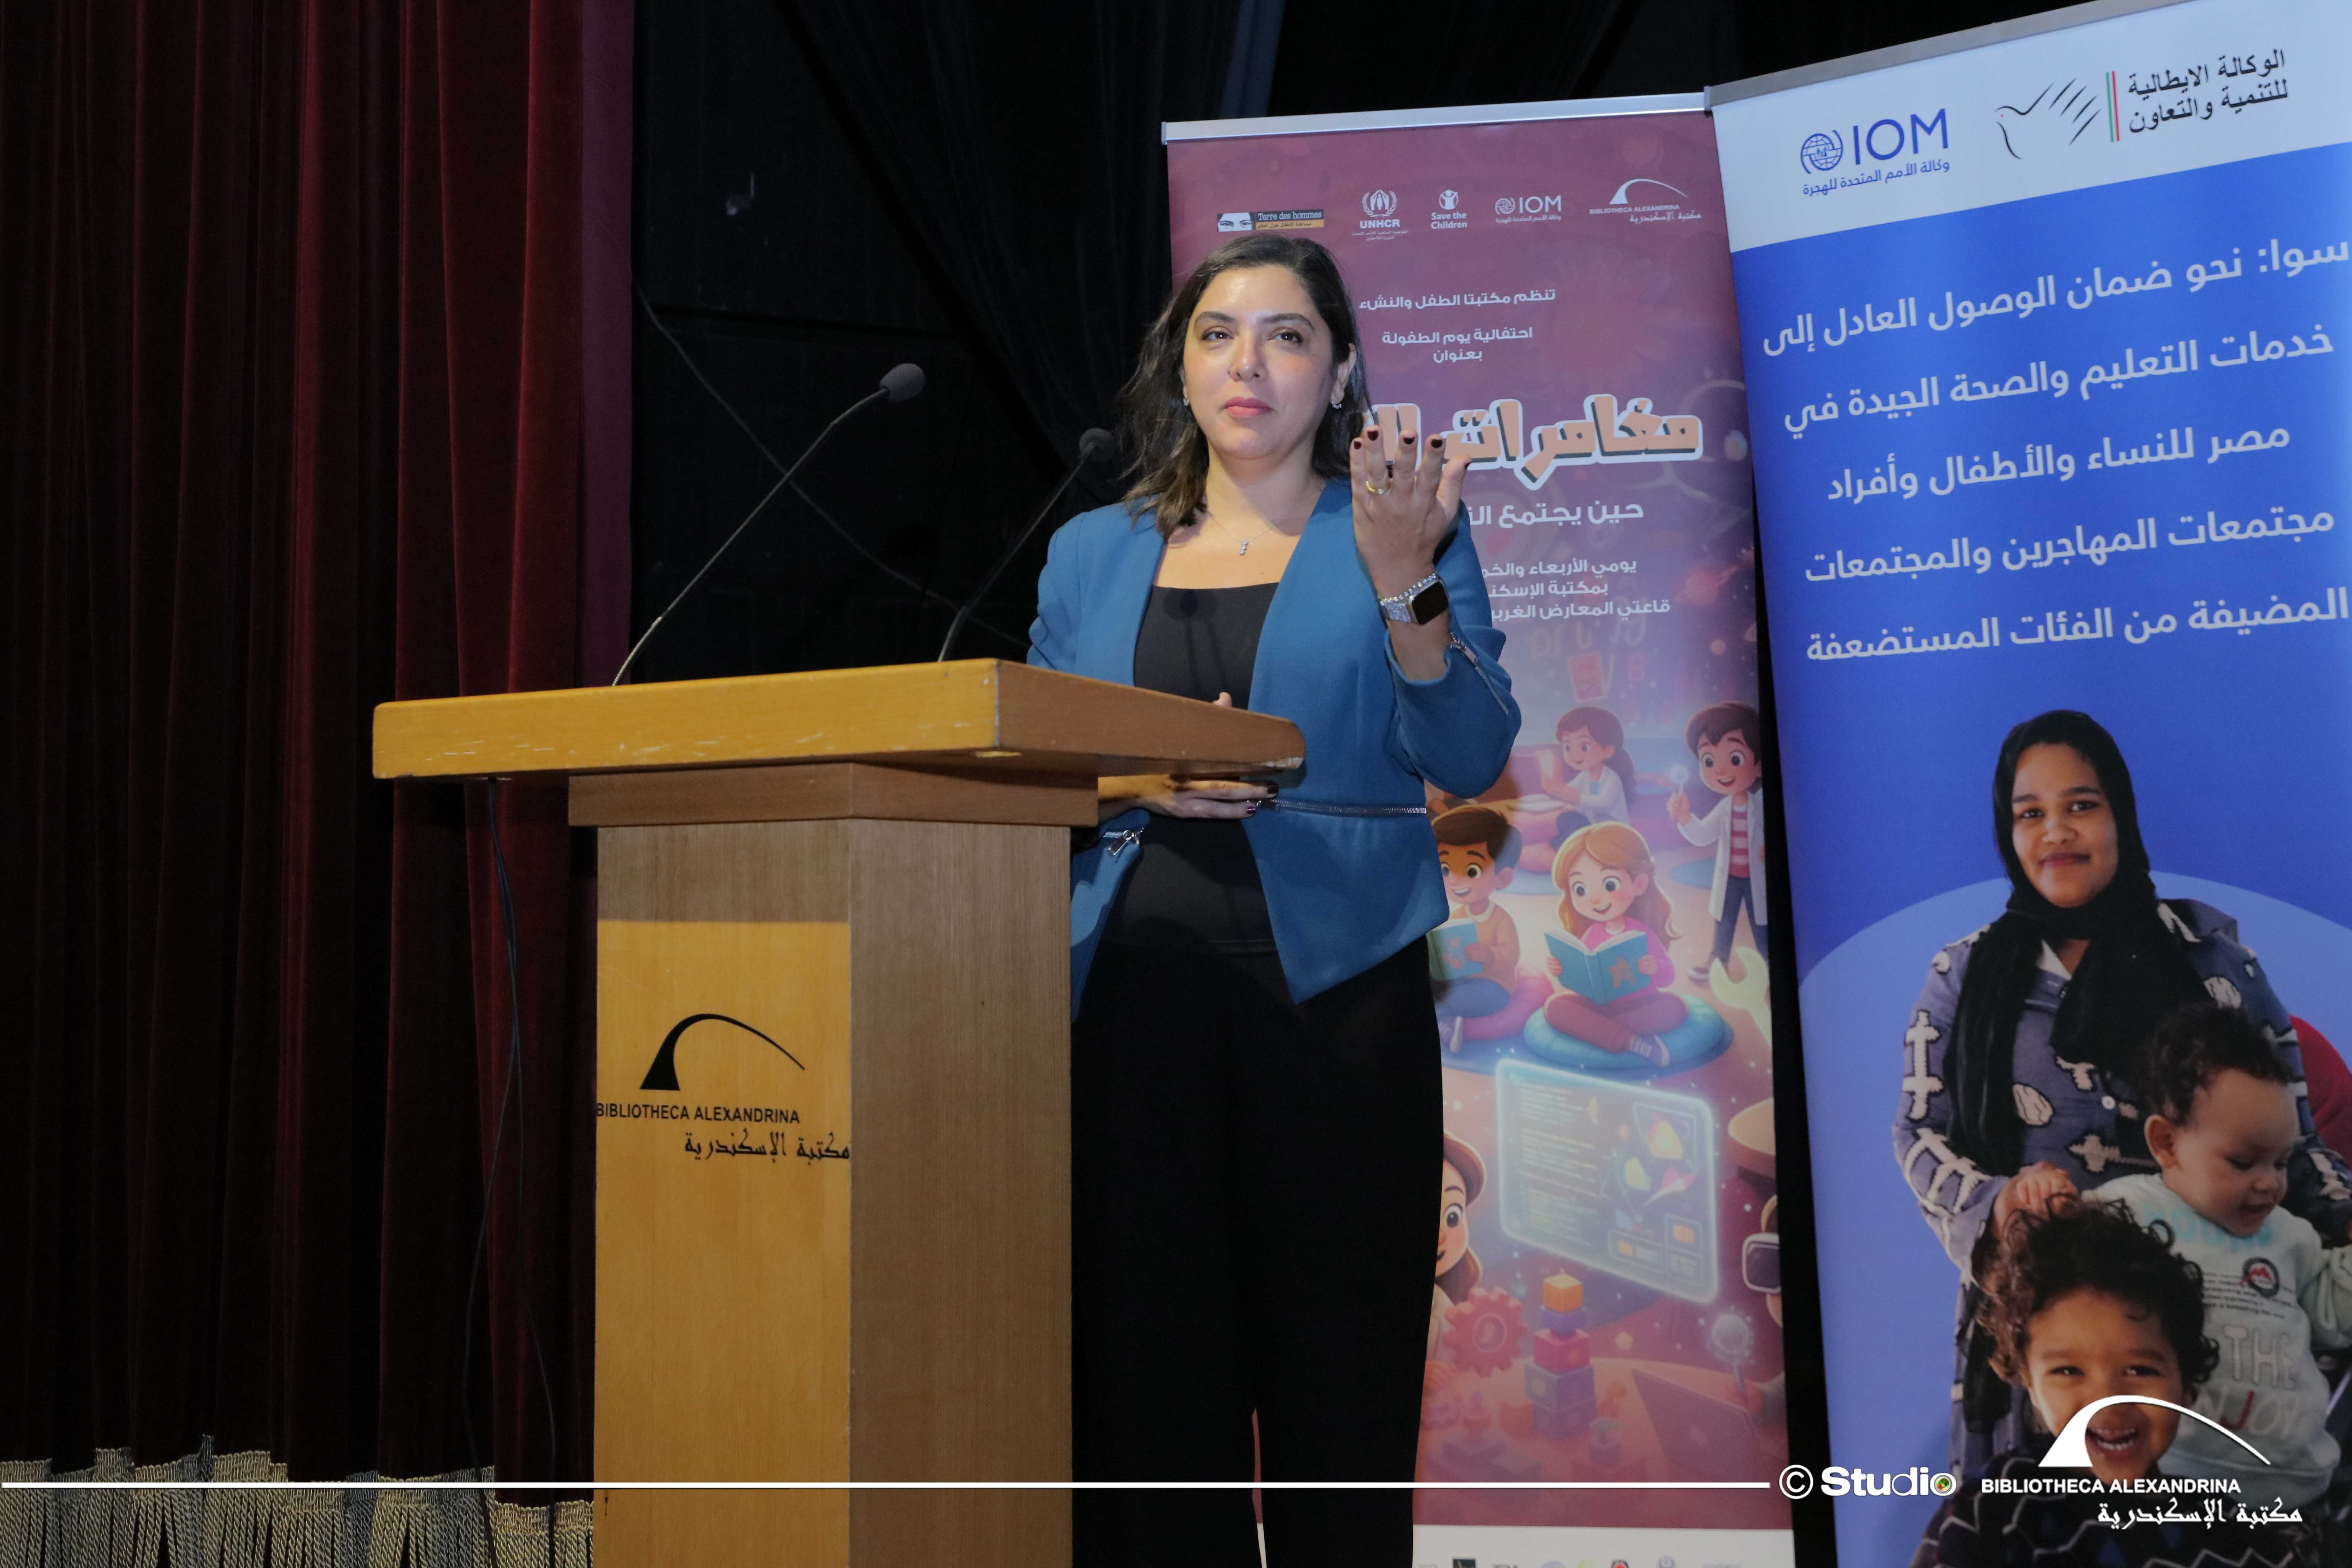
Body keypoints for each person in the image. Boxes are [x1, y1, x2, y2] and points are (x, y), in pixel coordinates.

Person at [1030, 231, 1519, 1567]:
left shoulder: (1394, 530)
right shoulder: (1088, 552)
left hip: (1337, 1010)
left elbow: (1471, 748)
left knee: (1337, 1395)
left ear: (1340, 370)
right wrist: (1140, 778)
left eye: (1287, 334)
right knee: (1148, 1402)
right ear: (1180, 367)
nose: (1247, 363)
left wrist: (1405, 580)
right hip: (1129, 1014)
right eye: (1217, 334)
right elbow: (1032, 765)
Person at [1892, 709, 2352, 1479]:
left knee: (2202, 1531)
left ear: (2120, 815)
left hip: (2209, 1329)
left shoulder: (2213, 963)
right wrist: (2002, 1205)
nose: (2055, 832)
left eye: (2081, 804)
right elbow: (1918, 1133)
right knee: (2040, 1528)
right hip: (2042, 1325)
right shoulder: (1965, 976)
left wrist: (2342, 1224)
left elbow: (2294, 1142)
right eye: (2029, 814)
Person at [1914, 1198, 2322, 1566]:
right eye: (2069, 1371)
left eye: (2139, 1370)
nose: (2107, 1400)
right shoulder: (1999, 1502)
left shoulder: (2236, 1534)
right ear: (2030, 1384)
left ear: (2185, 1384)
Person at [2089, 1001, 2352, 1510]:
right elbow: (2052, 1283)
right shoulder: (2122, 1214)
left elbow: (2334, 1310)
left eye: (2281, 1162)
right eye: (2243, 1161)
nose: (2270, 1183)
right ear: (2166, 1143)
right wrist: (2035, 1200)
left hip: (2291, 1497)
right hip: (2166, 1484)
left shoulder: (2291, 1236)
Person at [1541, 821, 1687, 1064]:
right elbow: (1583, 979)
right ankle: (1631, 1041)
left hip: (1640, 1004)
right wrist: (1563, 969)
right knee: (1554, 1006)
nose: (1595, 899)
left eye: (1610, 885)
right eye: (1580, 889)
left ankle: (1597, 1030)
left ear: (1639, 885)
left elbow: (1667, 977)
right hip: (1599, 1006)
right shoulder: (1591, 933)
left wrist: (1654, 967)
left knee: (1674, 1007)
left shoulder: (1642, 932)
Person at [1666, 700, 1768, 984]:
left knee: (1762, 921)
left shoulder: (1760, 808)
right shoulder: (1724, 809)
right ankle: (1717, 961)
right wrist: (1685, 818)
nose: (1720, 770)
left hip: (1757, 878)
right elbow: (1702, 836)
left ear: (1759, 765)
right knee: (1724, 919)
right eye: (1709, 761)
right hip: (1730, 878)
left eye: (1735, 758)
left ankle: (1768, 961)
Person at [1539, 704, 1635, 827]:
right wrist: (1555, 790)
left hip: (1613, 829)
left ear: (1607, 751)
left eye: (1585, 747)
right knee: (1565, 819)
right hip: (1593, 825)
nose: (1574, 755)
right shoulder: (1585, 776)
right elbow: (1569, 792)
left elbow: (1604, 804)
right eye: (1568, 747)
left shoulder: (1612, 778)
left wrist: (1578, 797)